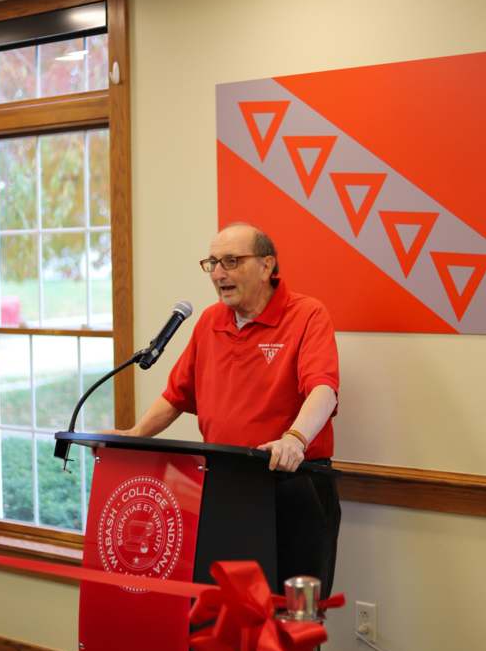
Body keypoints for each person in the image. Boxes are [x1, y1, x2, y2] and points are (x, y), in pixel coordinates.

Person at [122, 223, 340, 597]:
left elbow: (323, 389)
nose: (219, 273)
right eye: (213, 263)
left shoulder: (306, 315)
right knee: (225, 617)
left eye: (232, 261)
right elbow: (176, 395)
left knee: (291, 622)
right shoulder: (209, 321)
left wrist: (295, 439)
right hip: (221, 486)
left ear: (267, 265)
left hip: (291, 486)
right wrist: (133, 437)